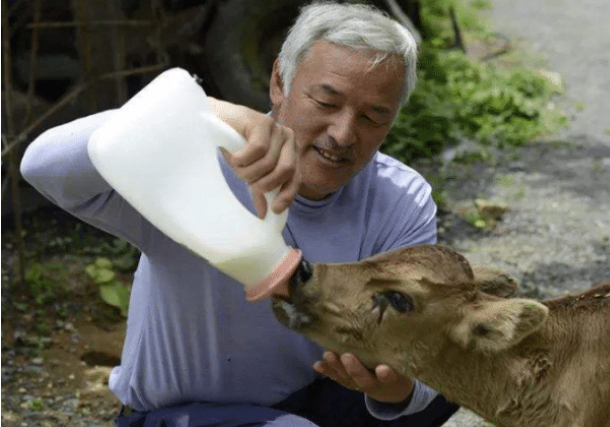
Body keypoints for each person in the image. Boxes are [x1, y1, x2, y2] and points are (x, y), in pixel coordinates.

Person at [20, 2, 459, 426]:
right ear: (279, 83)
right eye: (326, 103)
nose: (344, 134)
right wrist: (204, 112)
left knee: (472, 356)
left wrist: (396, 388)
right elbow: (41, 165)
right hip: (181, 415)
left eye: (372, 117)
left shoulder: (399, 198)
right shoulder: (195, 160)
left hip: (313, 399)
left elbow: (418, 348)